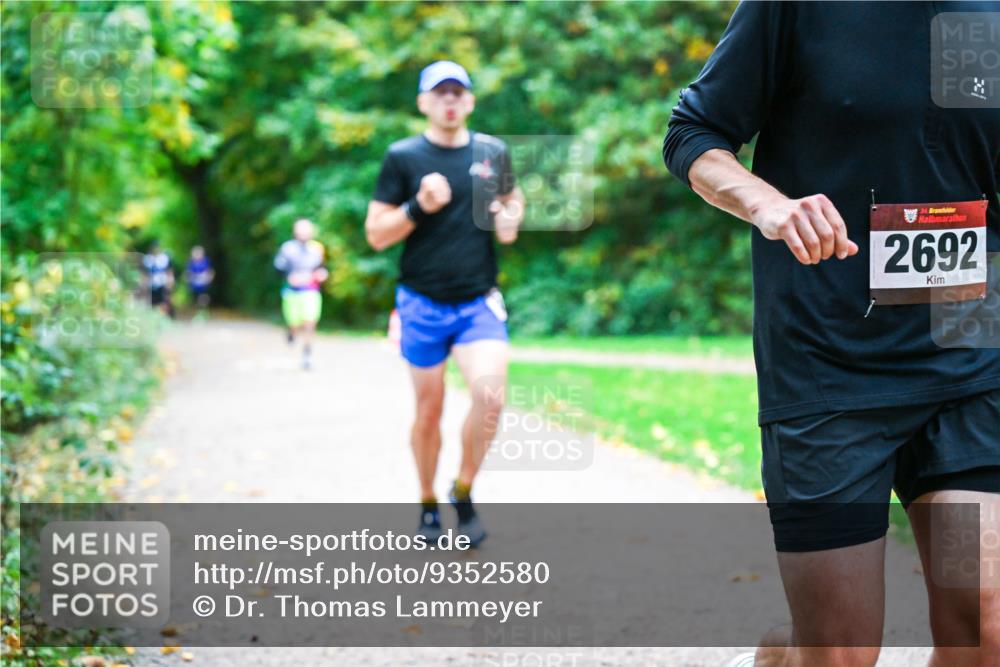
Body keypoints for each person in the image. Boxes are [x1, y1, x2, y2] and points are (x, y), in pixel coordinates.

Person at [662, 3, 999, 667]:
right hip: (828, 365)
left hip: (967, 360)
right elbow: (693, 133)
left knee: (984, 626)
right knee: (839, 651)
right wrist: (769, 205)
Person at [365, 60, 525, 546]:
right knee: (429, 410)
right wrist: (417, 206)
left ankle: (463, 490)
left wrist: (508, 218)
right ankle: (427, 503)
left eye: (458, 92)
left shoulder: (492, 152)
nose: (450, 100)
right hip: (421, 303)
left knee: (490, 397)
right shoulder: (403, 156)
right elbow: (375, 235)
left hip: (478, 300)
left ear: (471, 101)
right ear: (424, 102)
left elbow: (512, 205)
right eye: (440, 93)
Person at [274, 219, 328, 370]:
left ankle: (307, 354)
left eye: (307, 230)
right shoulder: (287, 248)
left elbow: (322, 268)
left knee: (310, 322)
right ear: (295, 232)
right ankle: (291, 331)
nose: (304, 233)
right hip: (292, 292)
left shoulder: (317, 248)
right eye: (301, 230)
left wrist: (322, 275)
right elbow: (278, 268)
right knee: (294, 324)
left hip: (311, 291)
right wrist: (288, 277)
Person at [142, 241, 175, 319]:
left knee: (164, 301)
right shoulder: (147, 259)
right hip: (152, 284)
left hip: (163, 283)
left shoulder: (164, 258)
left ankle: (166, 317)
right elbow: (144, 273)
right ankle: (156, 318)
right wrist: (144, 283)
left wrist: (170, 281)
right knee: (152, 303)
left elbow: (169, 271)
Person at [185, 245, 214, 316]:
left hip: (204, 283)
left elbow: (210, 271)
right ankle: (199, 311)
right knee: (196, 298)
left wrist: (209, 279)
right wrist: (190, 279)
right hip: (194, 284)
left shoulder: (206, 261)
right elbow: (188, 273)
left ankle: (203, 310)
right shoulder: (190, 262)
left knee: (203, 297)